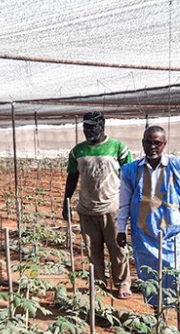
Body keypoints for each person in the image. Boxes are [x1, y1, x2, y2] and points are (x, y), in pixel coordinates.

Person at [116, 126, 180, 331]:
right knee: (150, 274)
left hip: (173, 233)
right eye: (148, 142)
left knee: (179, 272)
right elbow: (124, 202)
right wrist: (121, 229)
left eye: (157, 143)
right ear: (142, 143)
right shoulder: (132, 170)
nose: (152, 146)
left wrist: (173, 212)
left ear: (164, 144)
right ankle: (159, 318)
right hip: (143, 233)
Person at [62, 111, 132, 298]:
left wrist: (129, 205)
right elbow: (72, 177)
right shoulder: (77, 151)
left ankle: (122, 283)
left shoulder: (118, 148)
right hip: (86, 209)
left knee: (117, 248)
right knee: (93, 250)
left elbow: (129, 178)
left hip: (112, 207)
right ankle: (99, 283)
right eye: (85, 127)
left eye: (92, 127)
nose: (88, 131)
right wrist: (65, 202)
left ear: (102, 126)